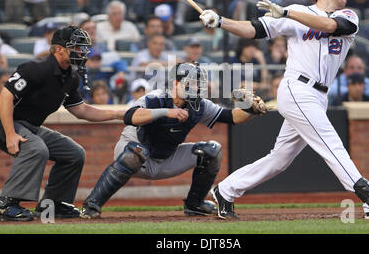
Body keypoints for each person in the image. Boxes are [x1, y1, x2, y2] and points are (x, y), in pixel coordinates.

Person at [199, 0, 369, 220]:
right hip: (297, 89)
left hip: (319, 95)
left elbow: (331, 26)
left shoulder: (347, 15)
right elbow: (253, 29)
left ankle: (225, 190)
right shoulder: (294, 12)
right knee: (331, 145)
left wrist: (287, 12)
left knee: (279, 159)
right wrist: (220, 21)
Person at [79, 61, 265, 219]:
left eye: (199, 84)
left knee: (212, 150)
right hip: (134, 150)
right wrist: (167, 112)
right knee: (135, 153)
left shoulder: (199, 105)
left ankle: (194, 204)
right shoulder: (156, 98)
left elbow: (231, 117)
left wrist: (250, 110)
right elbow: (130, 116)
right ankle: (92, 205)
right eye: (191, 84)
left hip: (166, 157)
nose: (197, 88)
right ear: (176, 83)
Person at [0, 26, 126, 222]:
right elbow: (5, 97)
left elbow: (82, 110)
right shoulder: (35, 69)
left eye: (83, 48)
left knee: (74, 153)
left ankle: (53, 204)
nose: (82, 52)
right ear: (59, 49)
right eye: (76, 47)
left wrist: (118, 114)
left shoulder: (71, 77)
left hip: (30, 127)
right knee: (37, 149)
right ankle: (6, 206)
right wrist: (10, 134)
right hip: (4, 123)